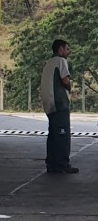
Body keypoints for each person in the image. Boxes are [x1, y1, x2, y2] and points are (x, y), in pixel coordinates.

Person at [39, 39, 78, 174]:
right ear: (60, 49)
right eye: (66, 49)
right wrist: (70, 87)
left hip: (48, 103)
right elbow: (65, 80)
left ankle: (52, 163)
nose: (67, 52)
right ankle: (62, 164)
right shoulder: (61, 61)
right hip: (59, 102)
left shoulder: (48, 63)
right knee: (63, 134)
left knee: (53, 134)